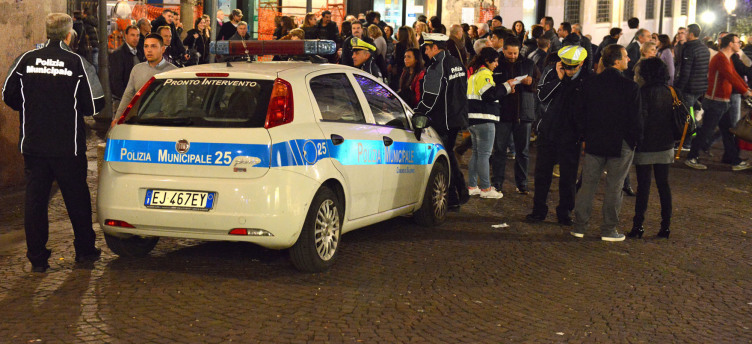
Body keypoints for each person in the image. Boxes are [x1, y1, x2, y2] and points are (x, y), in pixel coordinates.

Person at [2, 13, 105, 272]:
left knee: (35, 201)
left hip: (34, 145)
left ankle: (37, 257)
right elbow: (95, 104)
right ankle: (85, 251)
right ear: (70, 34)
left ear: (46, 31)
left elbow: (8, 94)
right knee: (77, 199)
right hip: (67, 146)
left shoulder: (26, 60)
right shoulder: (76, 62)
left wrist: (29, 108)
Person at [571, 44, 642, 241]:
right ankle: (609, 229)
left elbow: (579, 112)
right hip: (620, 143)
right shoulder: (630, 86)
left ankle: (579, 226)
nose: (629, 59)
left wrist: (585, 135)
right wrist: (634, 140)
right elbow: (636, 119)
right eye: (626, 56)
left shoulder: (590, 83)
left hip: (595, 140)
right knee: (614, 186)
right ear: (617, 61)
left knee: (588, 184)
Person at [527, 45, 588, 225]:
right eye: (566, 66)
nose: (569, 70)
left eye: (573, 67)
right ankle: (539, 211)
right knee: (542, 174)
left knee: (568, 177)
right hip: (549, 131)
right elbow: (542, 96)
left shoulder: (587, 79)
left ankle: (565, 212)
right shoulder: (551, 72)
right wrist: (559, 80)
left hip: (572, 136)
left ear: (581, 64)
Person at [413, 33, 470, 211]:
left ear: (435, 48)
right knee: (450, 156)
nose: (426, 52)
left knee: (444, 159)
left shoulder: (437, 67)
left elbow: (430, 97)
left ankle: (456, 194)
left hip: (442, 121)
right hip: (456, 119)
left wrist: (417, 113)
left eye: (427, 48)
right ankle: (456, 195)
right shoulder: (456, 63)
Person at [685, 34, 752, 171]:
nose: (739, 44)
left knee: (727, 131)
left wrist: (746, 89)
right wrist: (746, 92)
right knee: (706, 131)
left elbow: (735, 76)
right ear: (730, 44)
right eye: (737, 42)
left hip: (722, 101)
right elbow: (731, 77)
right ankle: (692, 156)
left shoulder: (725, 58)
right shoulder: (721, 58)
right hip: (717, 101)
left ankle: (734, 160)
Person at [628, 58, 676, 239]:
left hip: (646, 145)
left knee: (643, 186)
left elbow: (639, 120)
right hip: (665, 145)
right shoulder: (670, 91)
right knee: (664, 185)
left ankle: (638, 226)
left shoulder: (642, 93)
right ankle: (666, 227)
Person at [491, 37, 538, 194]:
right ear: (503, 50)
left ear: (520, 50)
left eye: (515, 53)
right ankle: (497, 183)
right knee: (499, 150)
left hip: (523, 114)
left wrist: (530, 82)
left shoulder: (529, 64)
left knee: (523, 152)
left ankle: (522, 184)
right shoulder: (497, 64)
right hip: (502, 113)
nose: (512, 56)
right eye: (509, 53)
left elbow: (539, 85)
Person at [466, 47, 511, 199]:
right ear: (487, 61)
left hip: (472, 119)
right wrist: (507, 87)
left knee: (476, 154)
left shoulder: (474, 74)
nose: (497, 64)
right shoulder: (485, 74)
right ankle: (486, 189)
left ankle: (472, 186)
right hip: (484, 119)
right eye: (495, 61)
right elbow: (489, 95)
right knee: (484, 155)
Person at [115, 34, 178, 119]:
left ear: (162, 49)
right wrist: (117, 118)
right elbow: (128, 96)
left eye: (153, 46)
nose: (149, 50)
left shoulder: (173, 72)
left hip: (165, 122)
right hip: (140, 121)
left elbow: (179, 103)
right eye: (146, 46)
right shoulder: (137, 69)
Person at [674, 24, 710, 115]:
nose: (684, 34)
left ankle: (694, 127)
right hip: (700, 86)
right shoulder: (704, 48)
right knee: (690, 109)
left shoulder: (690, 49)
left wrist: (679, 88)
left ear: (691, 34)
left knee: (686, 113)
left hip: (689, 87)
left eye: (686, 32)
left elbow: (686, 71)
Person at [110, 25, 143, 116]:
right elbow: (116, 80)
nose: (136, 38)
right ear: (126, 36)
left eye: (137, 35)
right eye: (132, 35)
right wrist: (126, 98)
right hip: (123, 100)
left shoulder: (140, 52)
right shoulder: (118, 54)